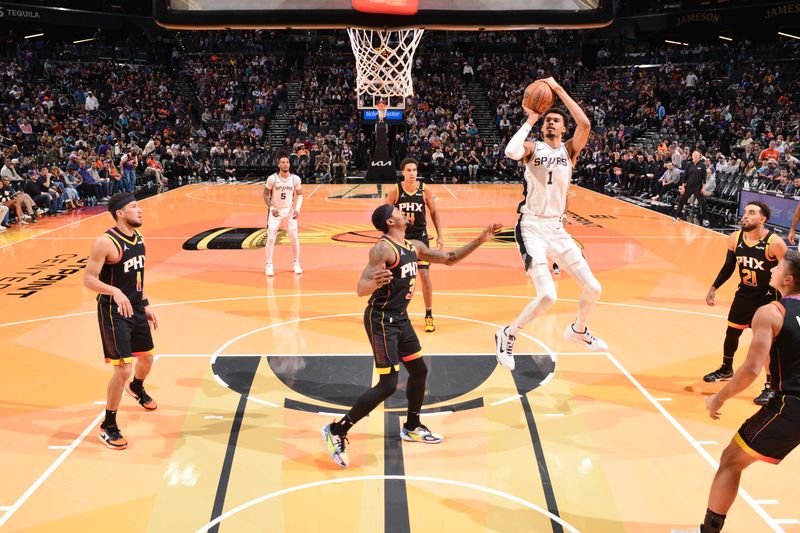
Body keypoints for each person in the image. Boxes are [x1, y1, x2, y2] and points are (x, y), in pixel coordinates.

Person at [322, 204, 501, 467]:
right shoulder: (382, 249)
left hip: (401, 319)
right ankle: (337, 430)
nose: (402, 211)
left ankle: (412, 426)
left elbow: (449, 258)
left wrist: (479, 240)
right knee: (388, 385)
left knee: (419, 371)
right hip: (382, 320)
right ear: (390, 222)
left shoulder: (413, 246)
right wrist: (376, 283)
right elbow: (361, 289)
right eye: (396, 211)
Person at [495, 77, 607, 372]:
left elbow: (585, 125)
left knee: (593, 288)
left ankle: (578, 330)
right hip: (531, 226)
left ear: (563, 127)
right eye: (548, 121)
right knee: (547, 296)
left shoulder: (569, 151)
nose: (551, 123)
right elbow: (510, 151)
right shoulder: (532, 149)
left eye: (556, 120)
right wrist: (531, 118)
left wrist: (558, 91)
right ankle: (508, 333)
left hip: (557, 229)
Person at [692, 251, 800, 533]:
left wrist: (719, 397)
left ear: (787, 280)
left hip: (791, 406)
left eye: (778, 267)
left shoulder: (771, 312)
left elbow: (750, 369)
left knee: (731, 461)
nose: (773, 268)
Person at [83, 193, 158, 450]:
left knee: (147, 358)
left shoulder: (139, 239)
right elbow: (89, 279)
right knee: (123, 368)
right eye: (135, 207)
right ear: (120, 213)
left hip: (135, 307)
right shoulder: (105, 242)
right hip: (113, 311)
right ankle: (108, 425)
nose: (140, 211)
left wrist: (145, 305)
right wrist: (113, 291)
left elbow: (138, 277)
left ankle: (136, 388)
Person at [705, 201, 786, 405]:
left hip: (768, 298)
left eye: (751, 213)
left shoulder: (774, 243)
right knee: (731, 333)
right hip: (745, 294)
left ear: (762, 219)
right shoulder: (735, 238)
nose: (745, 216)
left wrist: (789, 301)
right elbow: (728, 267)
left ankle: (770, 385)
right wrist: (714, 288)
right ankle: (726, 369)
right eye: (745, 212)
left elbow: (789, 273)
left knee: (766, 344)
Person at [384, 158, 444, 332]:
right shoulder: (395, 191)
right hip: (401, 239)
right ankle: (398, 312)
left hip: (420, 238)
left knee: (424, 275)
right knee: (399, 278)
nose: (412, 173)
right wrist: (386, 237)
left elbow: (434, 212)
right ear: (402, 172)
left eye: (414, 170)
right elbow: (385, 215)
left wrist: (440, 235)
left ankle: (429, 314)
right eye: (409, 170)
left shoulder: (425, 189)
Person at [263, 155, 303, 276]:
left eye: (287, 162)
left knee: (294, 237)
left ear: (289, 165)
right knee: (271, 238)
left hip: (289, 210)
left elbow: (300, 195)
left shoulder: (295, 179)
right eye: (283, 162)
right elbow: (265, 195)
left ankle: (296, 263)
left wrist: (297, 209)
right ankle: (269, 264)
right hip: (276, 211)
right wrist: (272, 208)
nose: (285, 164)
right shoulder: (272, 178)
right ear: (279, 165)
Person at [675, 151, 708, 222]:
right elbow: (684, 176)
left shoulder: (702, 166)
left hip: (698, 187)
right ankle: (678, 216)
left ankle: (704, 219)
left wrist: (703, 187)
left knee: (703, 203)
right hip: (689, 186)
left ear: (699, 157)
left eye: (697, 155)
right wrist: (683, 187)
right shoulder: (689, 165)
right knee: (681, 201)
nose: (695, 156)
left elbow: (704, 178)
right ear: (692, 156)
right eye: (694, 155)